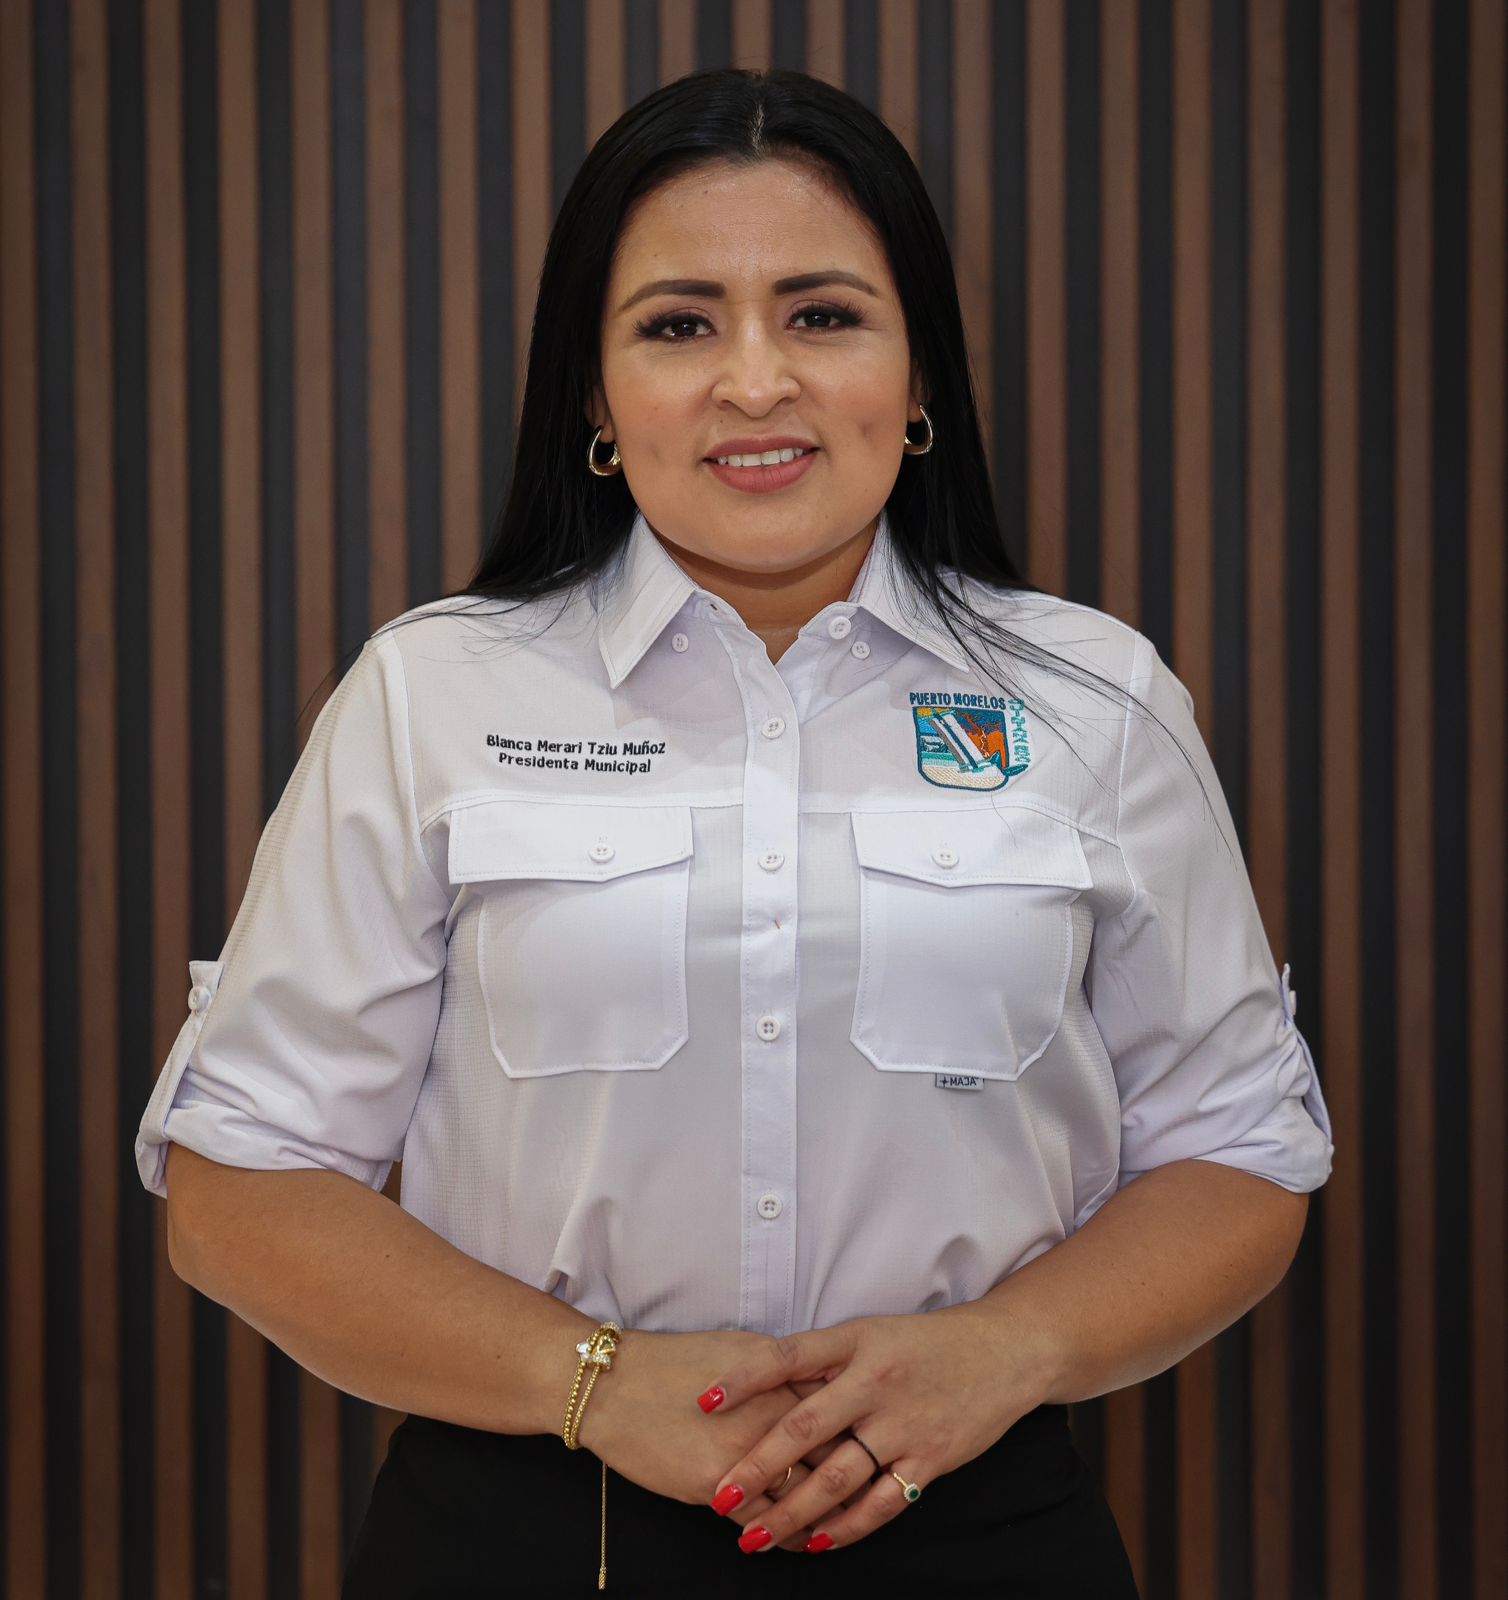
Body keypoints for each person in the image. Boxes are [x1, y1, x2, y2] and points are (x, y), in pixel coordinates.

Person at [135, 66, 1333, 1597]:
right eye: (679, 325)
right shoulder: (429, 693)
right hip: (526, 1531)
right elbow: (243, 1182)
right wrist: (594, 1380)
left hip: (976, 1529)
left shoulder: (1099, 701)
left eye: (822, 315)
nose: (755, 383)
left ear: (919, 376)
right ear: (594, 393)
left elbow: (1238, 1149)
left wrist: (1008, 1347)